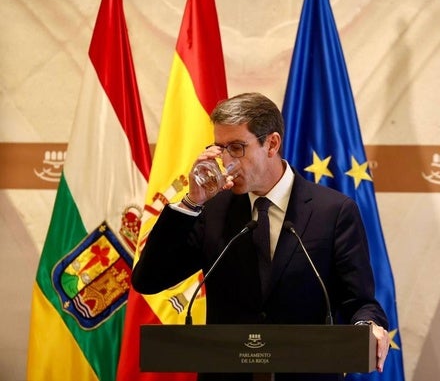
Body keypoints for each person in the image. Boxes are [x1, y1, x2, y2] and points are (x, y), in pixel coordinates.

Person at [132, 92, 390, 381]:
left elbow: (359, 301)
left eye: (237, 148)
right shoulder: (212, 211)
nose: (226, 160)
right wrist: (191, 202)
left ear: (272, 144)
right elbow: (148, 280)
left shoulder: (333, 211)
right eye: (220, 148)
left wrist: (368, 324)